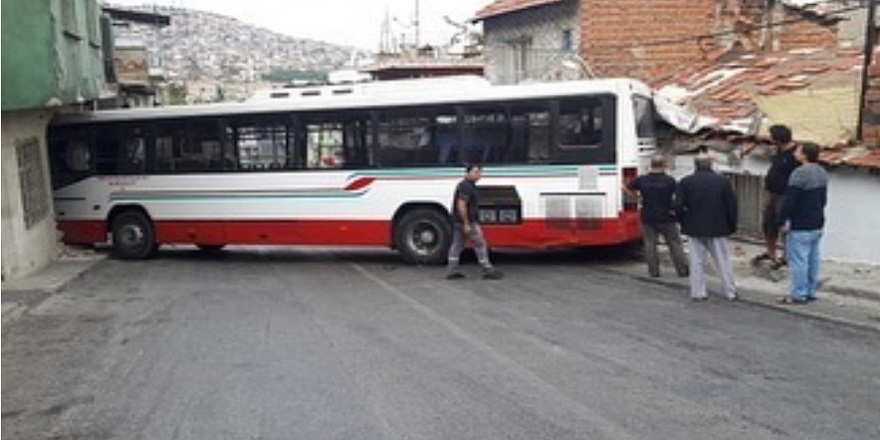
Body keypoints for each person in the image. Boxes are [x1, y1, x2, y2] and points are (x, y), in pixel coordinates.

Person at [675, 152, 738, 301]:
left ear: (695, 165)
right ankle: (730, 291)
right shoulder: (723, 182)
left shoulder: (685, 182)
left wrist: (683, 222)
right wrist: (731, 225)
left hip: (694, 226)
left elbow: (678, 206)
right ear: (711, 164)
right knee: (722, 260)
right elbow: (731, 206)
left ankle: (698, 292)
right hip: (718, 226)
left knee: (696, 261)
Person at [776, 142, 828, 304]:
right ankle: (810, 291)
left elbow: (791, 200)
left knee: (799, 260)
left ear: (804, 155)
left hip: (800, 223)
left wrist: (781, 220)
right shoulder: (821, 172)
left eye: (798, 151)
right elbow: (823, 200)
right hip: (817, 221)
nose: (795, 153)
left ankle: (798, 293)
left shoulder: (799, 174)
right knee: (813, 259)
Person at [743, 124, 799, 269]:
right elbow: (760, 142)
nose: (771, 140)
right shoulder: (778, 150)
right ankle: (771, 252)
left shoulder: (796, 154)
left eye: (773, 138)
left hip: (785, 194)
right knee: (768, 223)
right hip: (771, 192)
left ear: (779, 140)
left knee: (784, 225)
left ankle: (786, 256)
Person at [625, 155, 689, 278]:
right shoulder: (670, 180)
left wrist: (636, 197)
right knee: (675, 243)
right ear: (664, 166)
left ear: (651, 165)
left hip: (648, 215)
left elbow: (626, 187)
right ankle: (682, 270)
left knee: (650, 244)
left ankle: (653, 271)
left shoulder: (642, 180)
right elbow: (678, 197)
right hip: (667, 216)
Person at [445, 164, 502, 280]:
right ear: (467, 173)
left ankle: (451, 270)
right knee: (480, 244)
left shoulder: (466, 185)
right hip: (468, 222)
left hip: (458, 221)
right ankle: (487, 269)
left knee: (457, 245)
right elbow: (461, 205)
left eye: (480, 172)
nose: (479, 175)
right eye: (475, 172)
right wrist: (466, 223)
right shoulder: (466, 186)